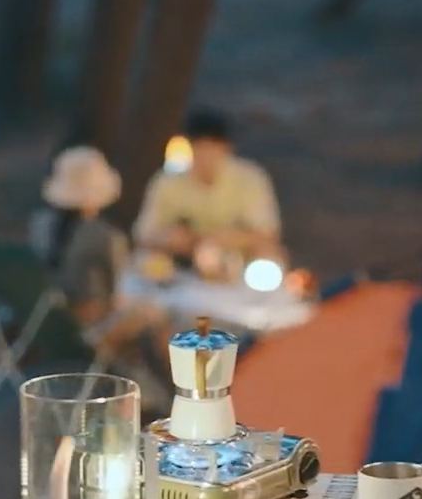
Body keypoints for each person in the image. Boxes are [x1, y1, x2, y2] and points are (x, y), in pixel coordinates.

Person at [34, 146, 172, 409]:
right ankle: (169, 394)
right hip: (94, 330)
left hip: (53, 324)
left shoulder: (41, 226)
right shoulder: (104, 236)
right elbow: (118, 293)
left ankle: (140, 384)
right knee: (157, 315)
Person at [133, 109, 283, 271]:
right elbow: (143, 233)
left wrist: (227, 239)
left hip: (241, 268)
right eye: (199, 147)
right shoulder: (168, 181)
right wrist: (171, 238)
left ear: (227, 148)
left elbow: (268, 233)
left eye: (212, 147)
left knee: (271, 258)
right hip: (178, 268)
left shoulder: (250, 179)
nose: (206, 156)